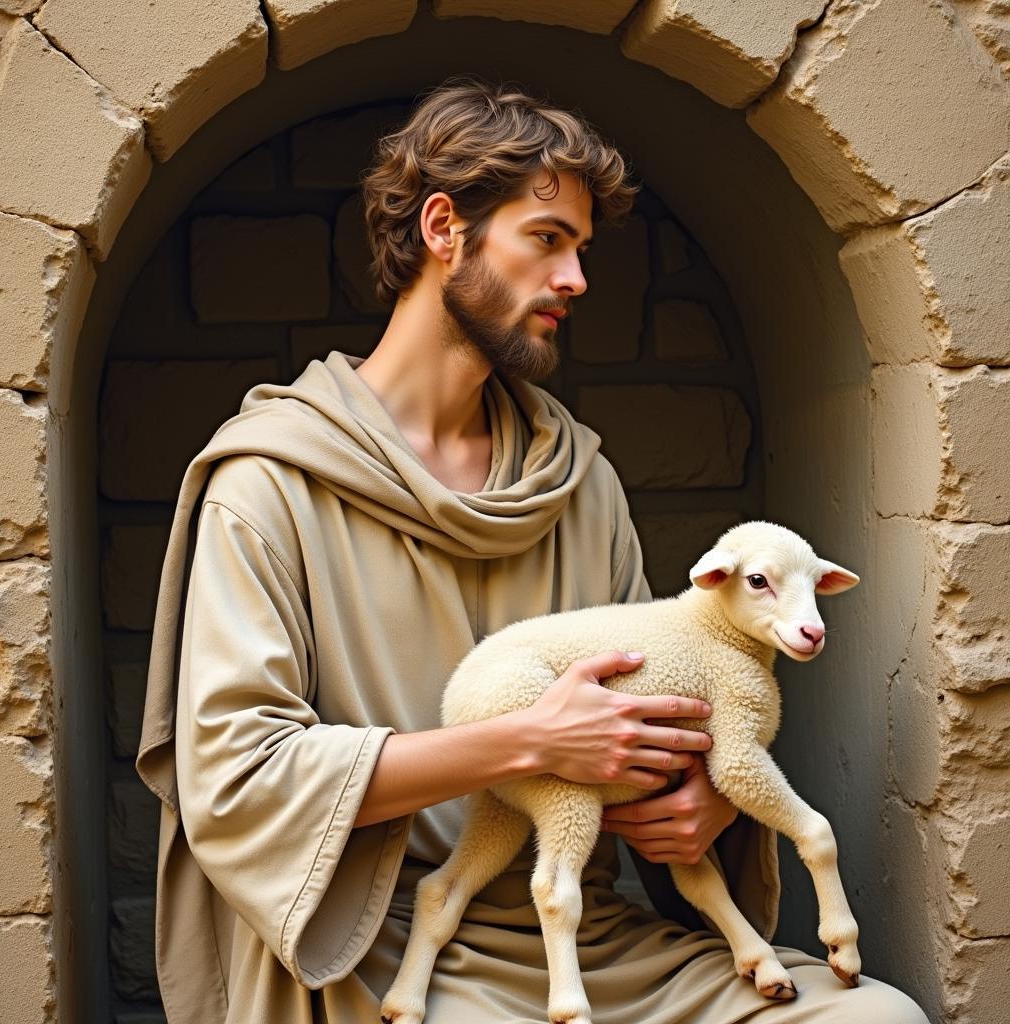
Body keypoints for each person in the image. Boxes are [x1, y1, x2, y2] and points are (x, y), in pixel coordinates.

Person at [137, 78, 928, 1024]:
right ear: (443, 228)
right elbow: (237, 782)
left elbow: (660, 723)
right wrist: (525, 741)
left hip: (586, 934)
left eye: (582, 249)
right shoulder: (266, 487)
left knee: (875, 1018)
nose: (576, 281)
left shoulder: (578, 480)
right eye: (546, 239)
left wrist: (698, 805)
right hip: (377, 942)